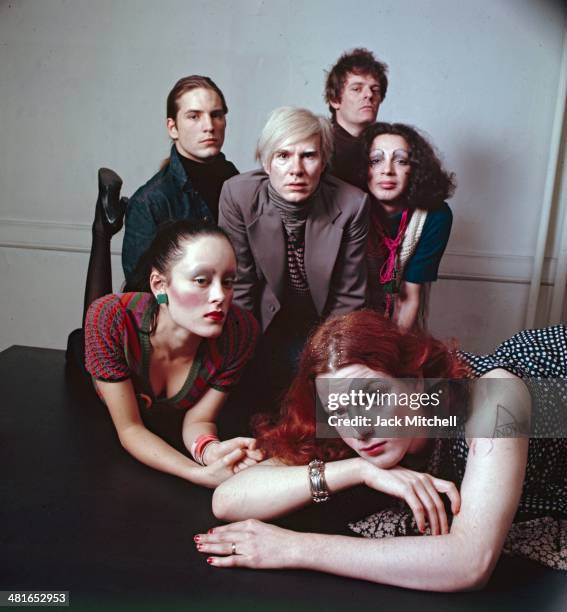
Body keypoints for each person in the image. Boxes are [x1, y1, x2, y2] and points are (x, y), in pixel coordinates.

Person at [194, 311, 567, 588]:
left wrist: (293, 548)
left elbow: (470, 563)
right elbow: (227, 499)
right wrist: (359, 470)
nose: (361, 429)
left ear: (416, 381)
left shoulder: (493, 400)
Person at [82, 218, 261, 488]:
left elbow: (200, 420)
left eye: (228, 281)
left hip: (164, 419)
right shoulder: (111, 320)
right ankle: (100, 229)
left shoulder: (240, 331)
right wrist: (197, 474)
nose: (220, 296)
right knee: (87, 324)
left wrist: (211, 453)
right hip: (97, 372)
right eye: (201, 280)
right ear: (159, 284)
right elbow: (130, 428)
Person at [218, 106, 369, 408]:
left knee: (324, 403)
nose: (296, 169)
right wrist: (243, 354)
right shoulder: (238, 196)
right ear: (265, 161)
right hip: (261, 322)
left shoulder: (353, 204)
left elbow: (349, 298)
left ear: (324, 161)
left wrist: (327, 360)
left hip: (322, 324)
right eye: (283, 155)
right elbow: (241, 286)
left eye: (308, 155)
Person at [122, 75, 238, 286]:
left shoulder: (238, 183)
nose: (209, 126)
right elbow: (142, 294)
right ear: (172, 127)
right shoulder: (149, 202)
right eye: (194, 116)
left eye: (216, 115)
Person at [363, 122, 455, 330]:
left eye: (401, 161)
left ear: (414, 169)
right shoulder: (348, 207)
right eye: (376, 160)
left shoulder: (435, 216)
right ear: (363, 167)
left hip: (401, 326)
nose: (387, 170)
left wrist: (389, 352)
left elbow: (409, 296)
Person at [325, 48, 388, 190]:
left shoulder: (389, 144)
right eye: (357, 89)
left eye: (375, 90)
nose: (369, 95)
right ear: (335, 100)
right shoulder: (318, 144)